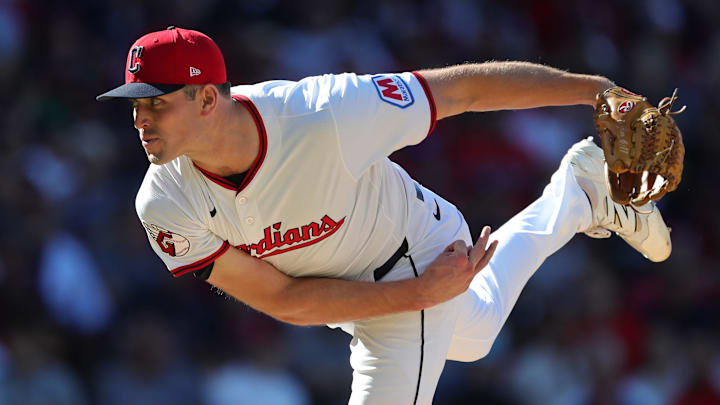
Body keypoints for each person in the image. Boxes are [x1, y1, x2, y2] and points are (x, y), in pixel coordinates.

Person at [97, 27, 672, 405]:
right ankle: (580, 190)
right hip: (372, 293)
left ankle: (580, 193)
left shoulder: (325, 114)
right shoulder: (164, 203)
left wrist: (598, 92)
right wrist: (421, 296)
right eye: (136, 105)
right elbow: (285, 300)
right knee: (475, 332)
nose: (141, 119)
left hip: (414, 252)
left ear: (206, 99)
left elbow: (464, 90)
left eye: (157, 103)